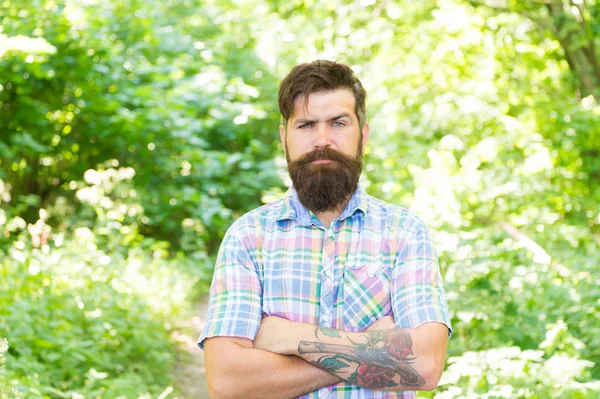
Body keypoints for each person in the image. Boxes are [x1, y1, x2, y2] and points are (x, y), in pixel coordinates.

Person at [198, 60, 452, 399]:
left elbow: (424, 364)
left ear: (363, 135)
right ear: (283, 136)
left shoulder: (405, 233)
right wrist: (374, 351)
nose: (322, 139)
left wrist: (287, 338)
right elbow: (228, 383)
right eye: (305, 124)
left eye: (338, 123)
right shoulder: (247, 238)